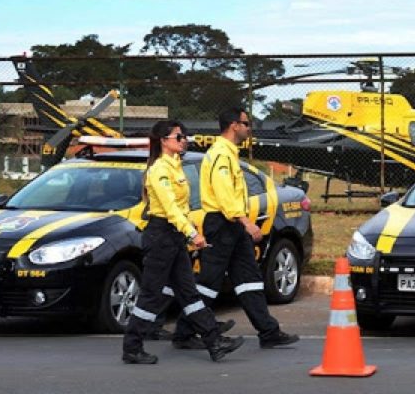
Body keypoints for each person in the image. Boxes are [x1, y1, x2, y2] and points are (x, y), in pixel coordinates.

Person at [170, 107, 299, 350]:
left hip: (231, 226)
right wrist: (246, 222)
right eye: (246, 123)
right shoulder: (221, 154)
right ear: (233, 125)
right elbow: (224, 193)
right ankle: (184, 332)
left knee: (249, 279)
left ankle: (268, 331)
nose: (249, 128)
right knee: (208, 282)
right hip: (222, 223)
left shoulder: (229, 153)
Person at [121, 120, 244, 364]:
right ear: (163, 141)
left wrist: (189, 233)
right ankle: (132, 347)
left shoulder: (176, 166)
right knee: (151, 295)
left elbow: (183, 209)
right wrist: (192, 235)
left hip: (174, 236)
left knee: (188, 292)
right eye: (179, 136)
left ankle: (214, 341)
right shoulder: (159, 170)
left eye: (184, 135)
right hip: (161, 235)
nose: (184, 139)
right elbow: (170, 210)